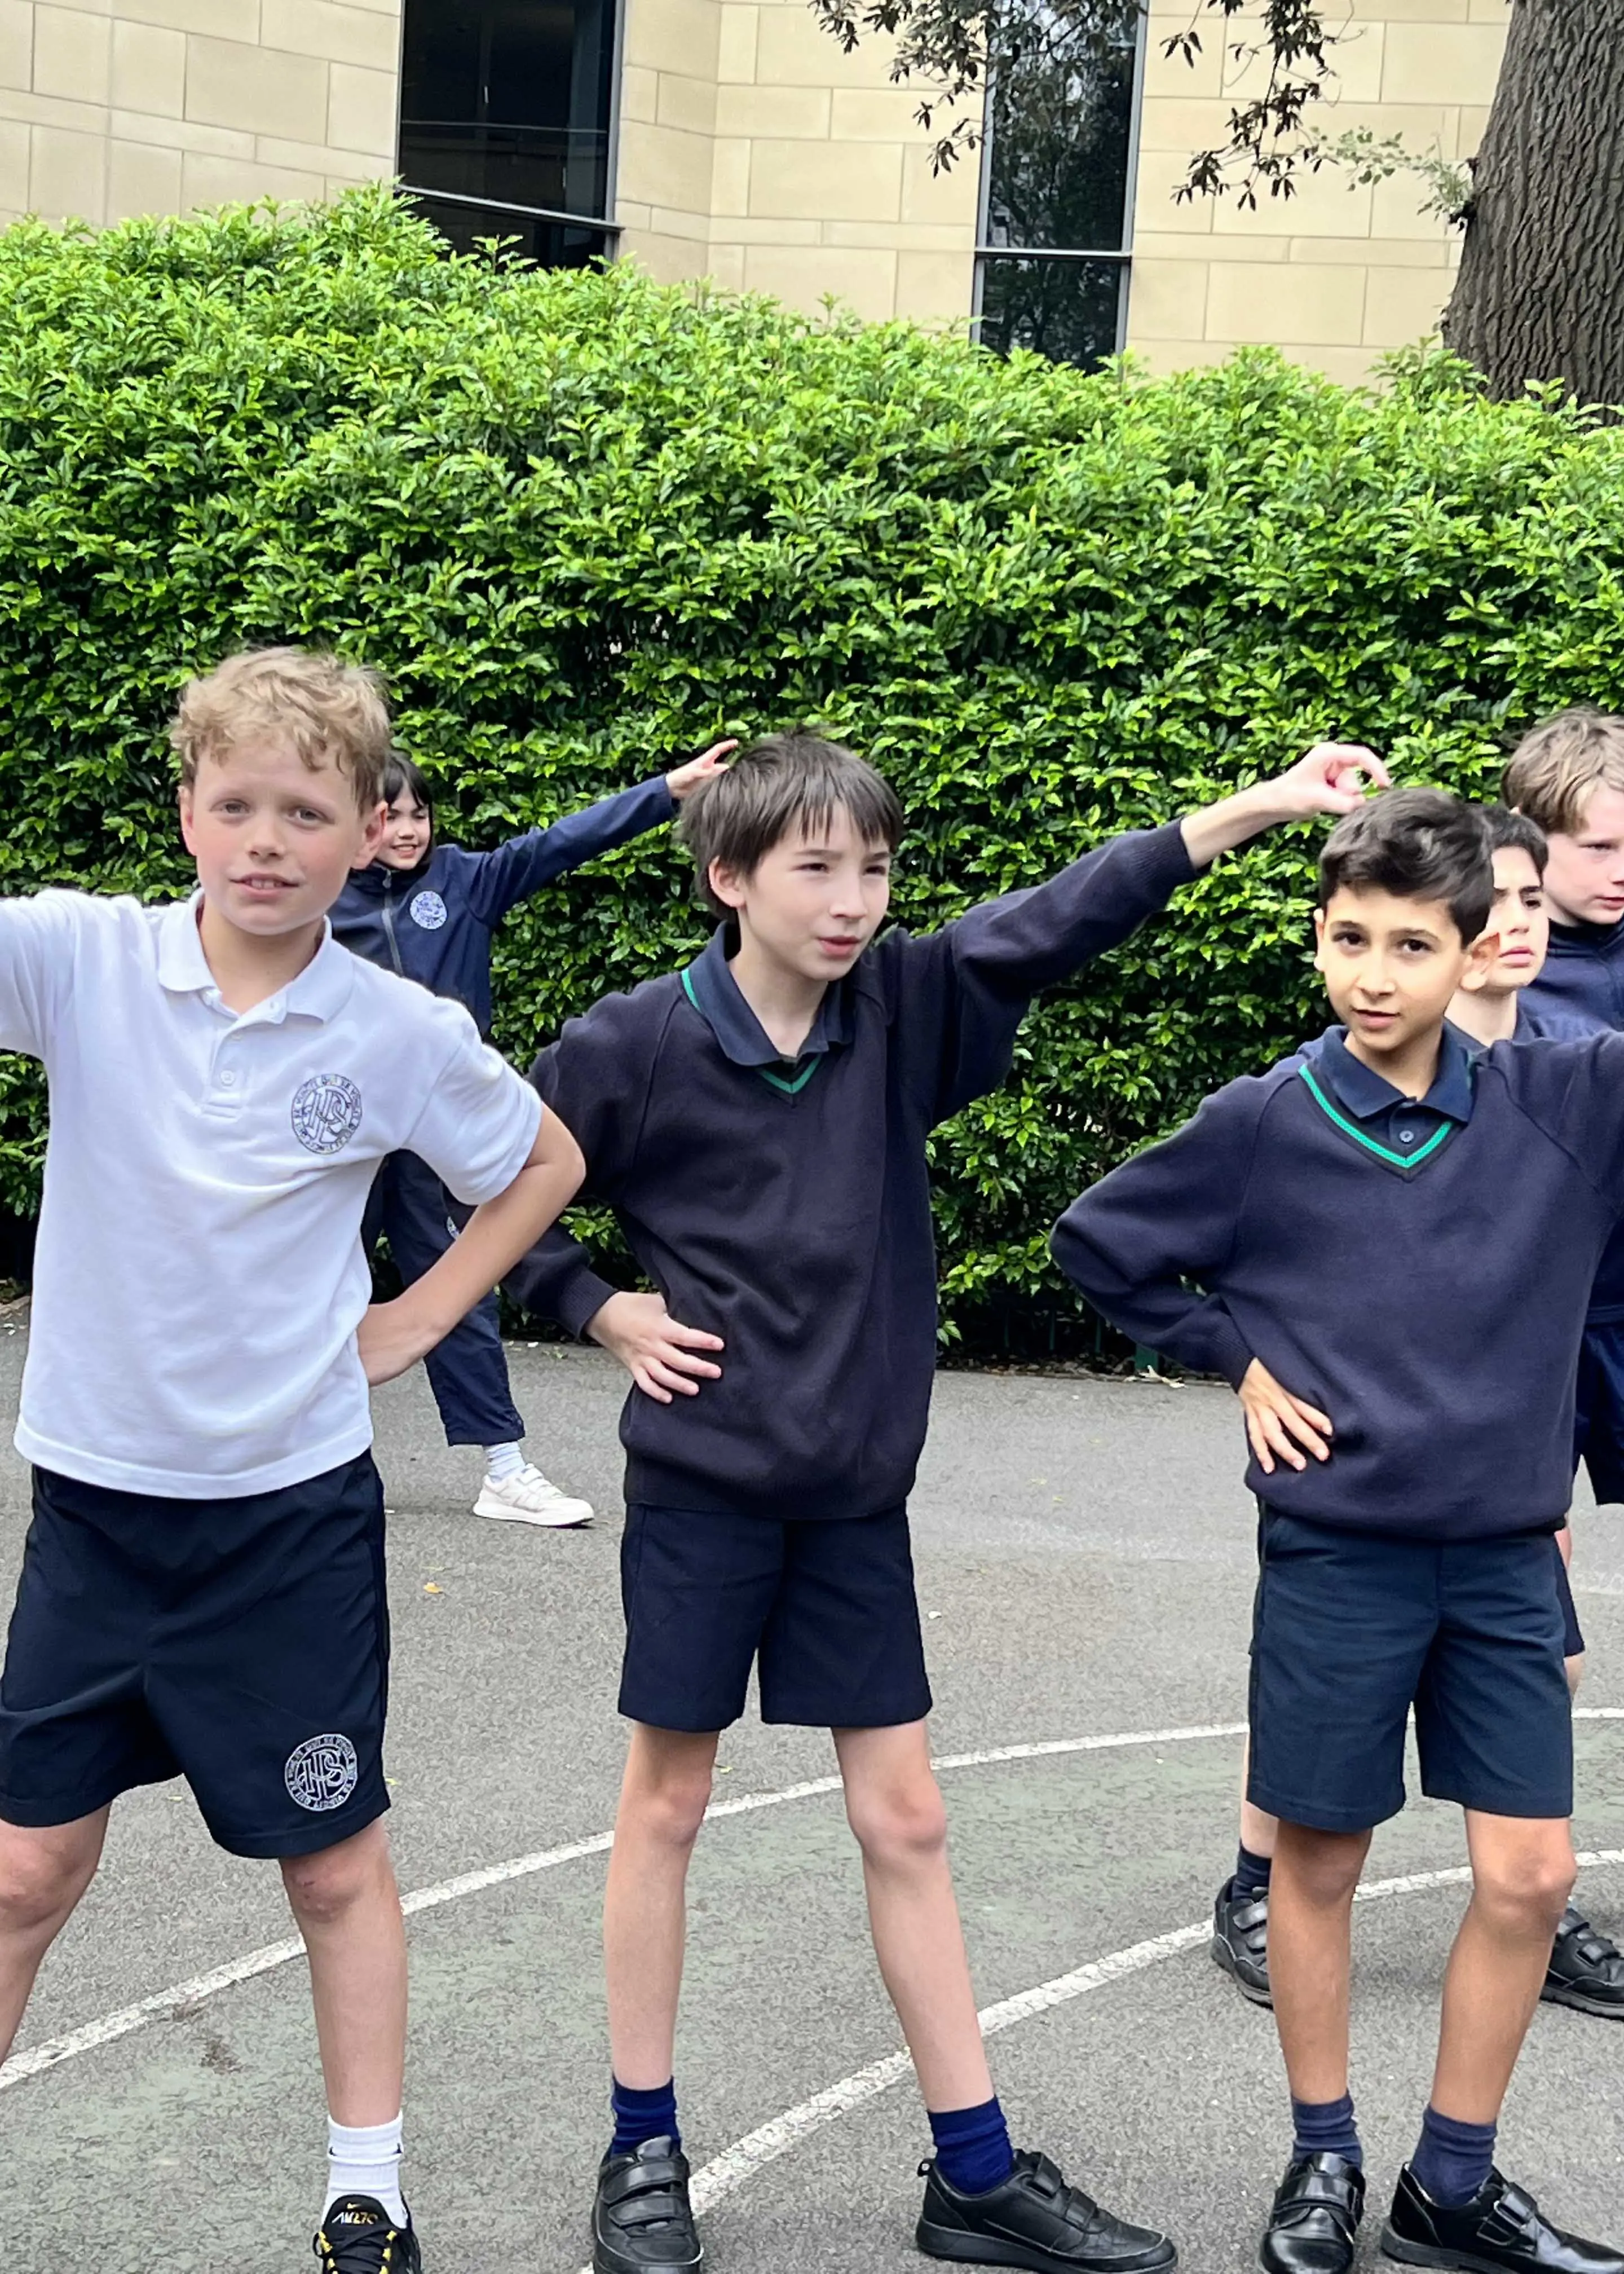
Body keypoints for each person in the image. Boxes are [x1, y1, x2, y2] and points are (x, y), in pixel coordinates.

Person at [508, 728, 1386, 2274]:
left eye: (877, 866)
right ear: (729, 878)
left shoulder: (903, 1008)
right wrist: (596, 1309)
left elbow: (1072, 908)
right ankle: (640, 2143)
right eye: (817, 868)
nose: (856, 898)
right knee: (669, 1803)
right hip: (707, 1498)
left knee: (906, 1817)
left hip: (854, 1499)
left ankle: (971, 2173)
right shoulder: (632, 1045)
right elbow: (479, 1189)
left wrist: (1259, 807)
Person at [0, 649, 584, 2274]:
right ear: (187, 811)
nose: (267, 838)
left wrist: (421, 1313)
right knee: (24, 1866)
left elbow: (542, 1160)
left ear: (370, 831)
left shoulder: (394, 1027)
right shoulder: (80, 965)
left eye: (308, 811)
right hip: (98, 1514)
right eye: (237, 803)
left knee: (332, 1864)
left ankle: (369, 2189)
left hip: (287, 1526)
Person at [1053, 786, 1624, 2274]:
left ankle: (1454, 2184)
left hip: (1504, 1560)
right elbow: (1100, 1248)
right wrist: (1236, 1362)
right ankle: (1322, 2160)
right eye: (1345, 938)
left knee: (1529, 1880)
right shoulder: (1265, 1122)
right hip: (1338, 1556)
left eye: (1408, 945)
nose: (1371, 974)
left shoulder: (1573, 1104)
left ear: (1483, 945)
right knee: (1316, 1869)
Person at [1210, 803, 1624, 2021]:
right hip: (1360, 1500)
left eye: (1531, 904)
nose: (1519, 925)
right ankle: (1258, 1885)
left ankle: (1516, 1943)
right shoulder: (1300, 1106)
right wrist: (1243, 1359)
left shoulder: (1560, 1083)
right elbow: (1126, 1246)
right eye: (1355, 939)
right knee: (1321, 1775)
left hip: (1524, 1414)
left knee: (1537, 1694)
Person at [331, 736, 733, 1527]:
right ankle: (298, 1458)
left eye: (420, 813)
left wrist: (667, 791)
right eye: (389, 815)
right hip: (348, 1134)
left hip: (443, 1136)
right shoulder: (320, 904)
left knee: (463, 1287)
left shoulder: (467, 881)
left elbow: (562, 843)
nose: (408, 829)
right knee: (309, 1285)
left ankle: (503, 1469)